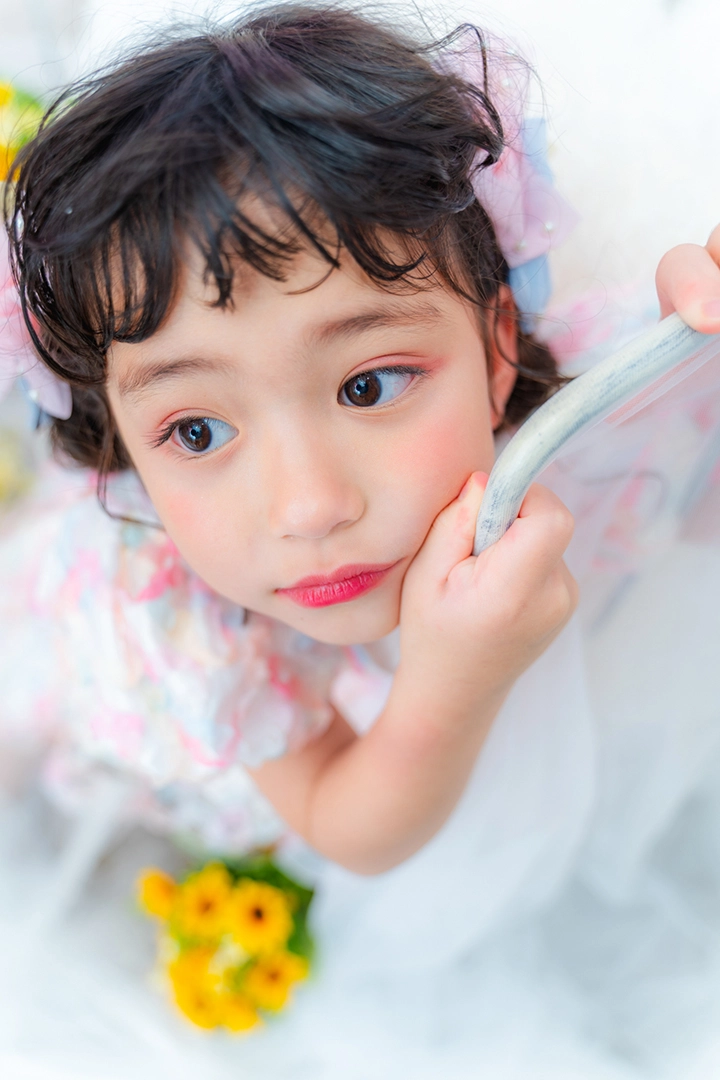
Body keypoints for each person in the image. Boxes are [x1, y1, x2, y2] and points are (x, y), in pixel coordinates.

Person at [2, 4, 720, 1076]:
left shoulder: (565, 395)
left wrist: (688, 352)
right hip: (115, 709)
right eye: (195, 431)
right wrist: (451, 683)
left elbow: (676, 464)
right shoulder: (157, 609)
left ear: (498, 346)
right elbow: (348, 823)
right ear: (127, 452)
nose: (308, 505)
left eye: (369, 385)